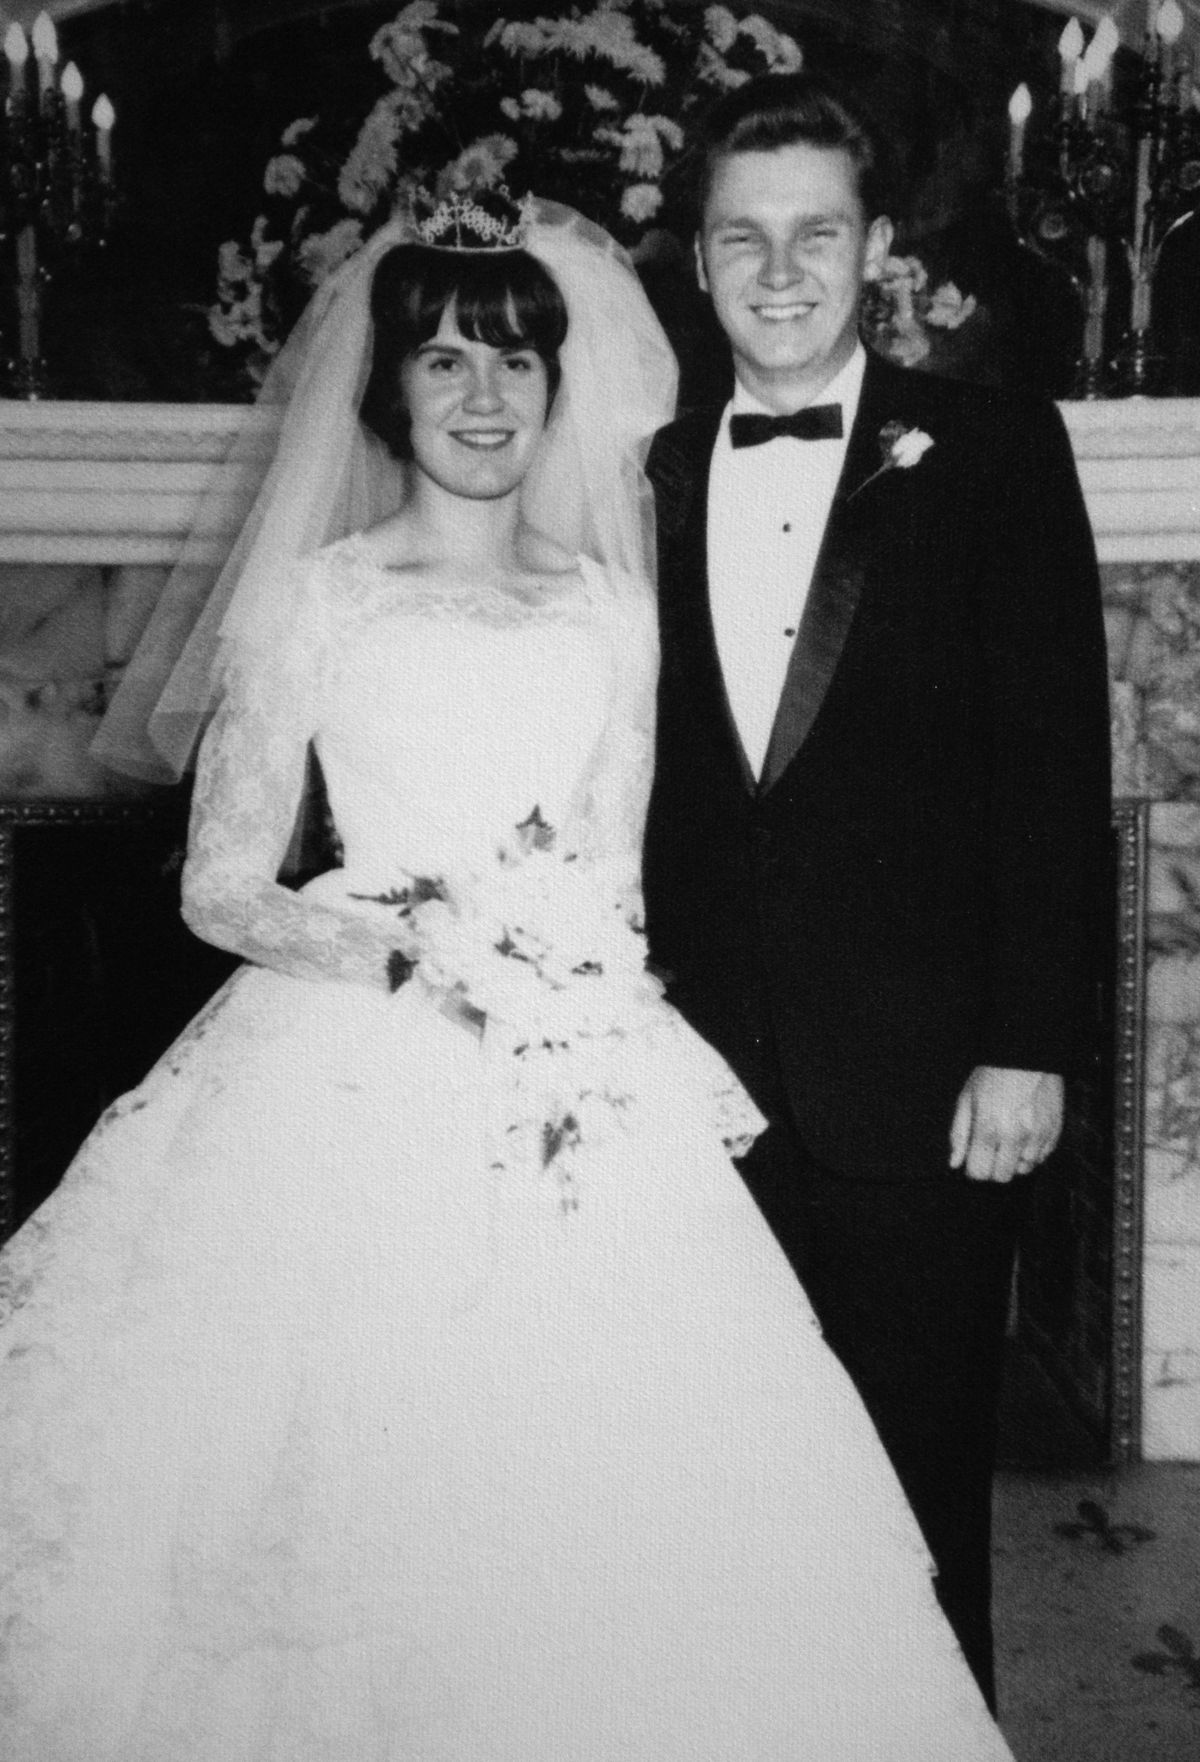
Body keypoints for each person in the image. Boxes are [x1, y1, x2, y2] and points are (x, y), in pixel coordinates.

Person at [1, 193, 1016, 1761]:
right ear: (389, 391)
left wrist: (562, 968)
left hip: (575, 1061)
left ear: (561, 391)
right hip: (345, 1064)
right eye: (447, 363)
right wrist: (425, 949)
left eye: (517, 366)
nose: (486, 399)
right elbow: (220, 884)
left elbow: (614, 862)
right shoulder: (319, 595)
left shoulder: (616, 607)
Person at [643, 71, 1113, 1715]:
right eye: (743, 239)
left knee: (916, 1517)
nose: (780, 272)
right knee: (714, 1510)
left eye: (816, 234)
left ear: (878, 250)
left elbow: (1056, 771)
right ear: (695, 265)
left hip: (927, 1092)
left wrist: (1029, 1042)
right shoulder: (641, 473)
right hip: (692, 1100)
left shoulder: (991, 450)